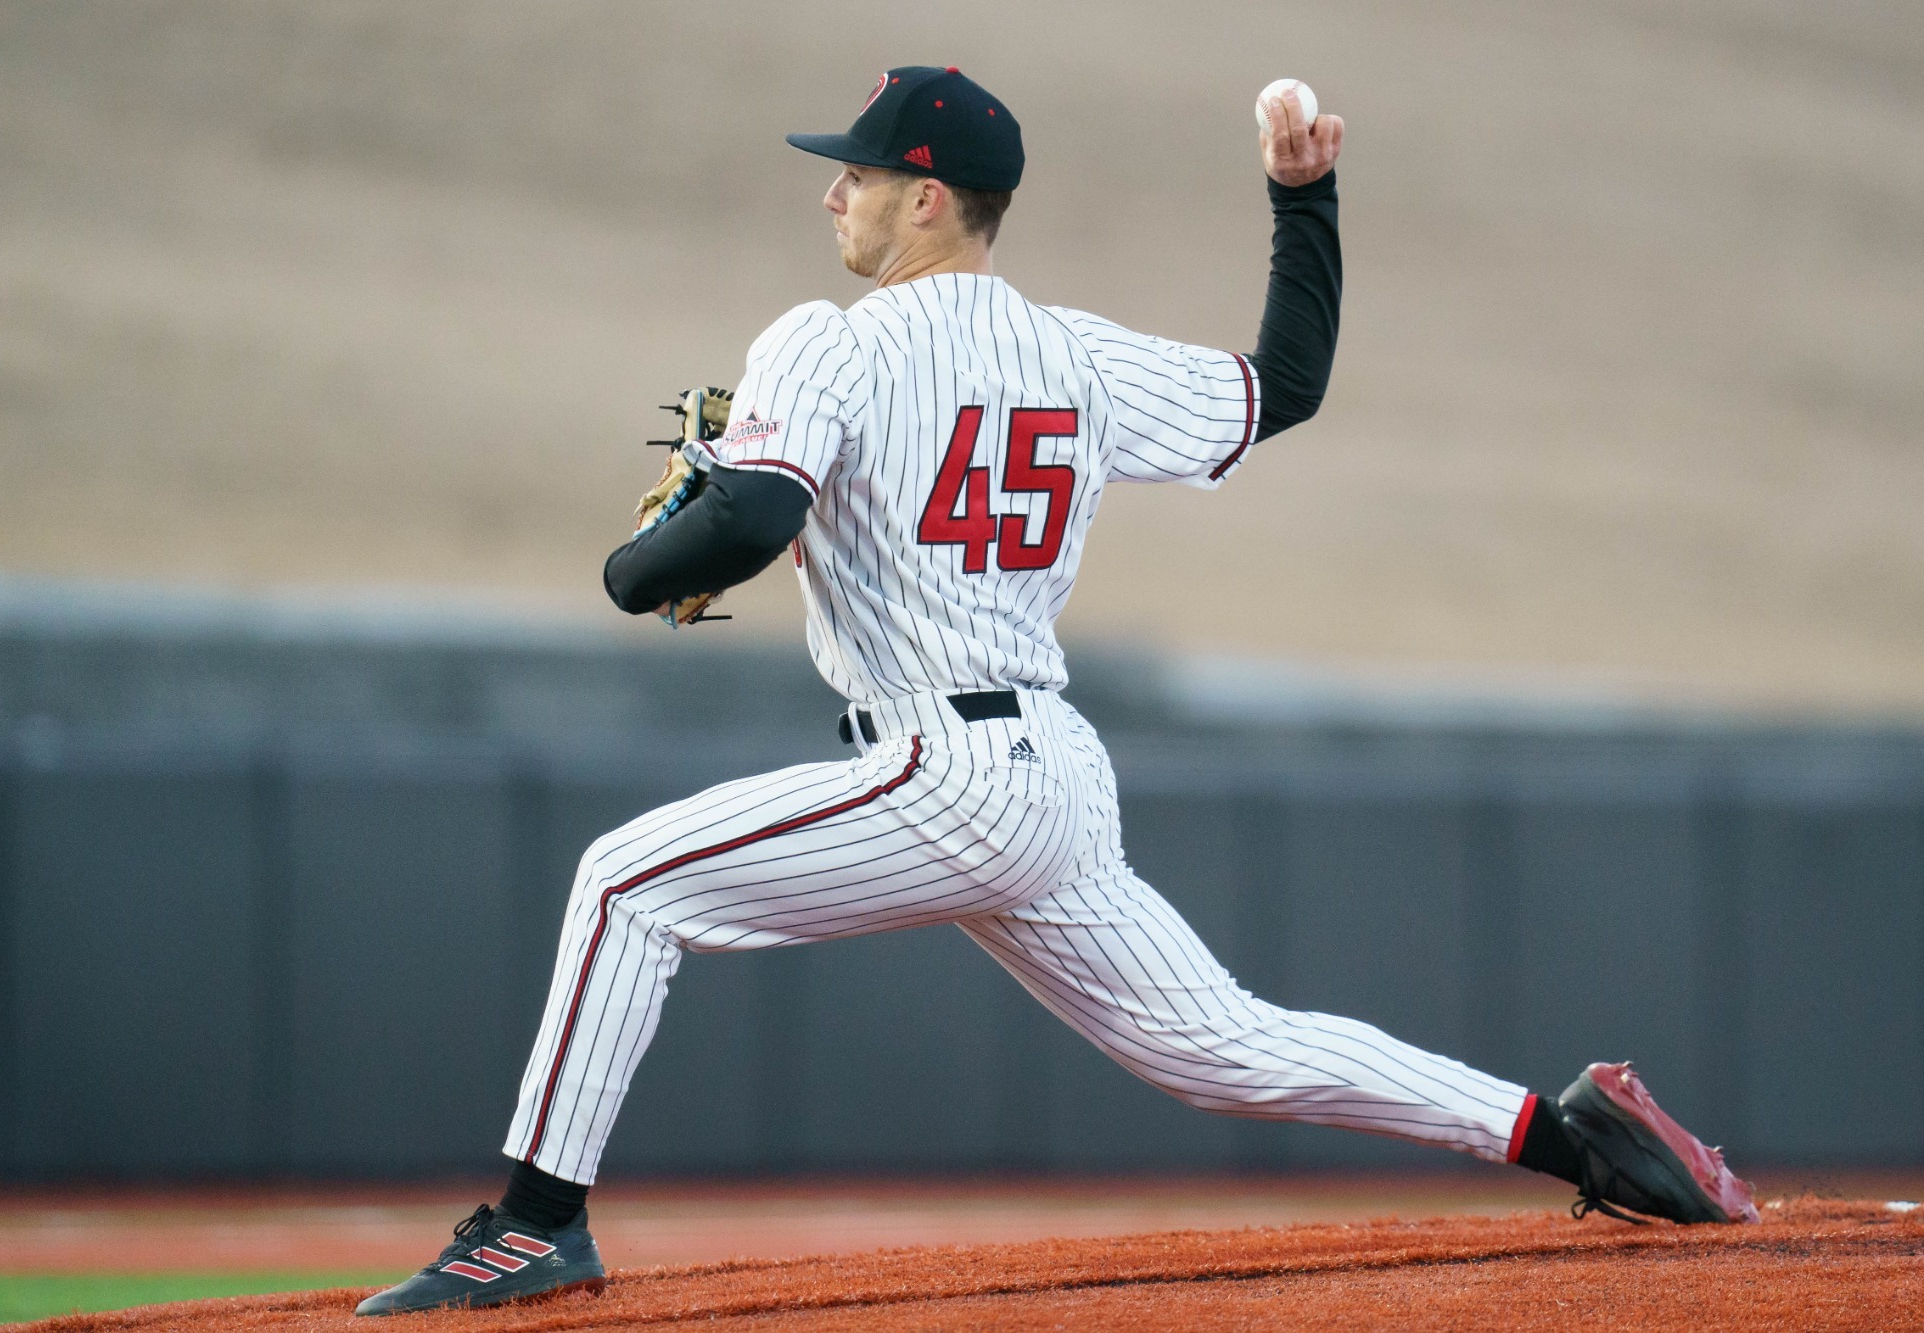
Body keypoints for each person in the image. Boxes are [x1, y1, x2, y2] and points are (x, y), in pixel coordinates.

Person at [357, 65, 1755, 1317]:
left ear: (926, 200)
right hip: (1050, 776)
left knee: (623, 881)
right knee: (1224, 1045)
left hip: (940, 765)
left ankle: (532, 1228)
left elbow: (742, 527)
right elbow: (1289, 383)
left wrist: (633, 561)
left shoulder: (827, 340)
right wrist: (1303, 195)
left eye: (854, 170)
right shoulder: (1072, 352)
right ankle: (1577, 1136)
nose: (832, 193)